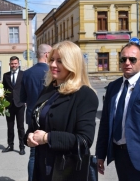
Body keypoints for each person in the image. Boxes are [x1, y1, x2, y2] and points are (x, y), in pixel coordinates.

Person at [25, 40, 98, 181]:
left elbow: (84, 140)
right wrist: (29, 137)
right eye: (52, 59)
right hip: (42, 168)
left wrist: (47, 138)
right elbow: (36, 126)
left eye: (60, 61)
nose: (53, 65)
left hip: (67, 170)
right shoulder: (48, 90)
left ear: (73, 64)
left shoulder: (84, 94)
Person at [96, 42, 140, 180]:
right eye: (123, 59)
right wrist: (100, 154)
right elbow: (105, 122)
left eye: (132, 59)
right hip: (120, 155)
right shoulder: (113, 87)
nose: (127, 62)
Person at [20, 44, 51, 181]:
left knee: (33, 153)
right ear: (46, 55)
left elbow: (22, 98)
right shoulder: (52, 72)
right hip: (49, 116)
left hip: (32, 116)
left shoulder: (26, 73)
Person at [2, 56, 25, 155]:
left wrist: (26, 100)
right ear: (9, 64)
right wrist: (3, 103)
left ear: (18, 64)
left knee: (20, 127)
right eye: (12, 64)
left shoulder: (23, 74)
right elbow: (3, 90)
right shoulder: (5, 75)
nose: (14, 65)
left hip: (20, 104)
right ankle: (10, 145)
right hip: (9, 105)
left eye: (15, 63)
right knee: (10, 126)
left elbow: (26, 88)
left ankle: (22, 147)